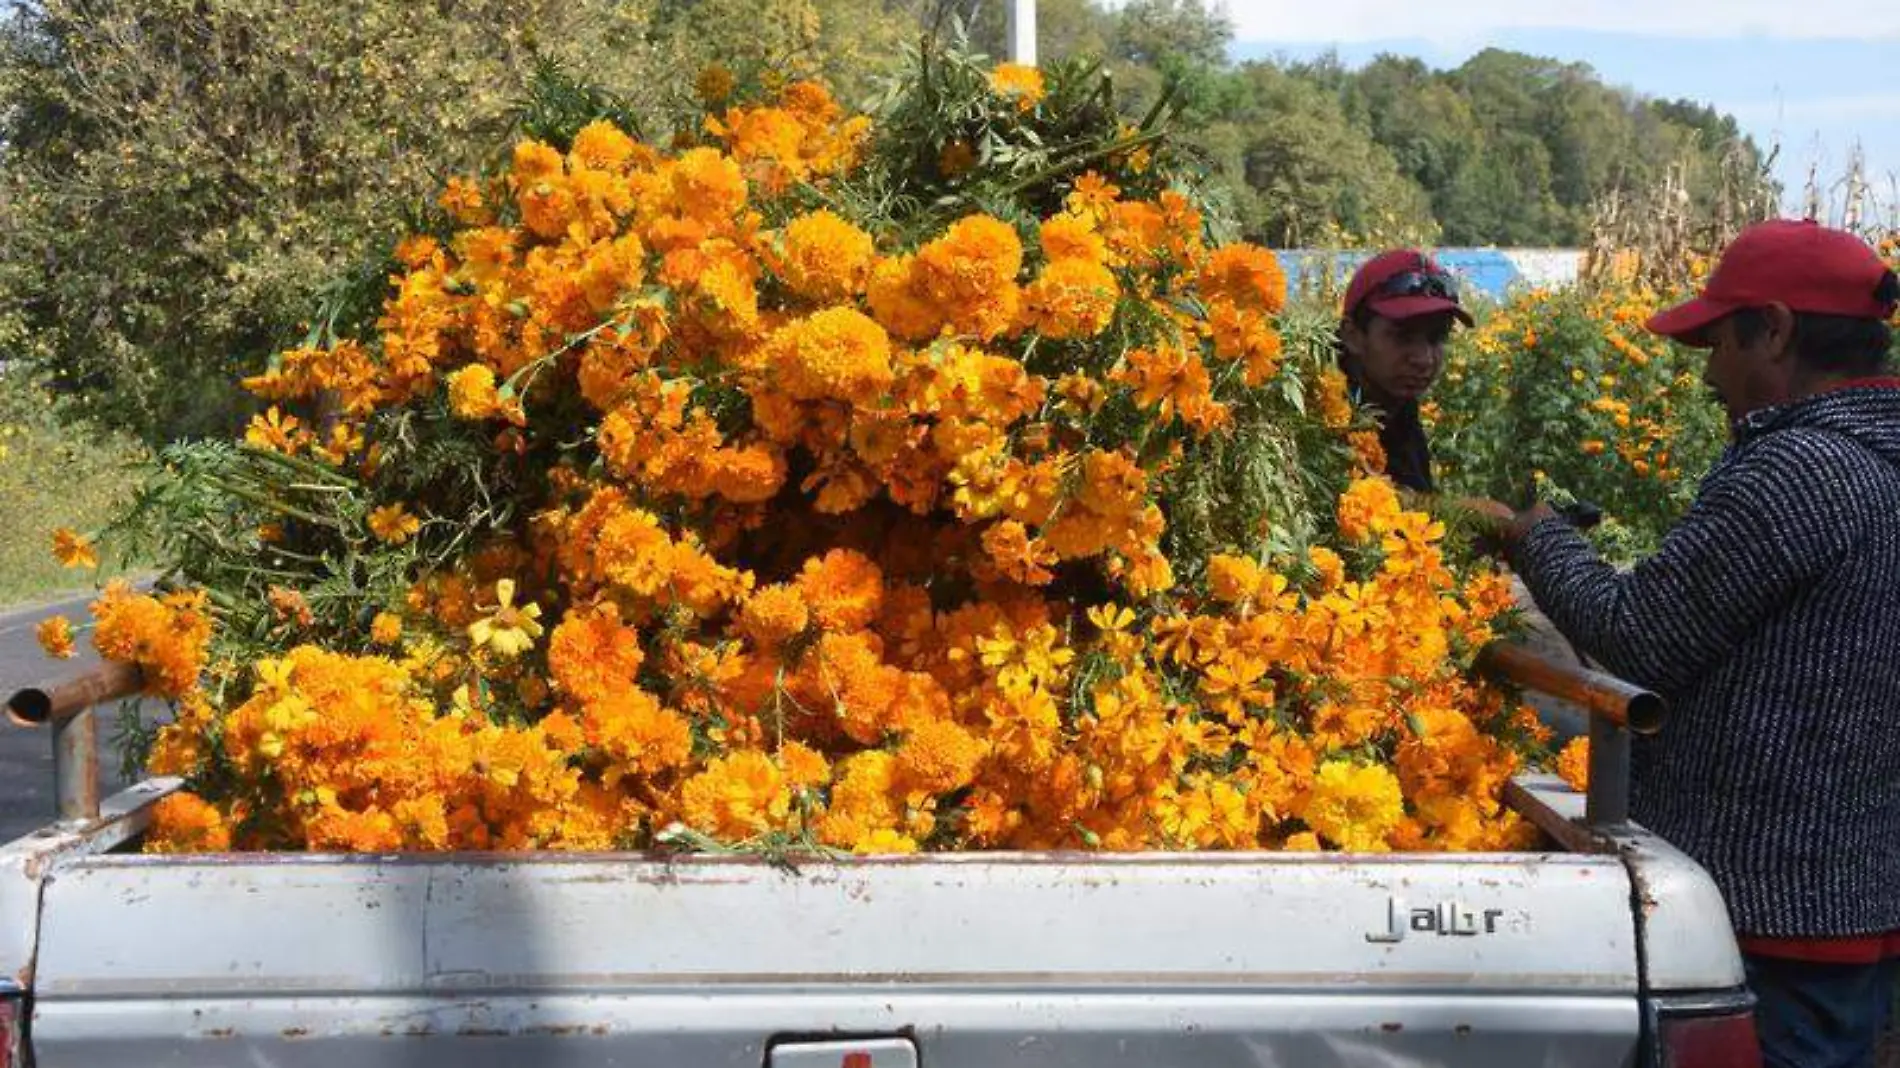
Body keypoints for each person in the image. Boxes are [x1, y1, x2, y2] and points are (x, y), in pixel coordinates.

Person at [1486, 219, 1900, 1068]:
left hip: (1766, 910)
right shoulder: (1878, 458)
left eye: (1719, 340)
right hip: (1847, 897)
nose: (1709, 371)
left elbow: (1641, 638)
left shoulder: (1807, 470)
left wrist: (1539, 538)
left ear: (1775, 329)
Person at [1335, 250, 1474, 493]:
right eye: (1402, 336)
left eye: (1437, 337)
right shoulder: (1315, 413)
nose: (1424, 359)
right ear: (1352, 336)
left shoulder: (1398, 407)